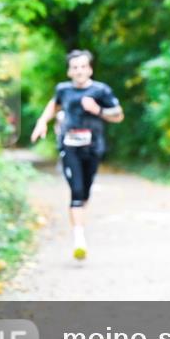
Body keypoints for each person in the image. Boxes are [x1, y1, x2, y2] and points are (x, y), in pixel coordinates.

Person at [30, 50, 124, 260]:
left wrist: (98, 110)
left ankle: (79, 220)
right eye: (75, 67)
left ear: (89, 69)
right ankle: (79, 238)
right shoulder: (63, 90)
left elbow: (118, 115)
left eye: (83, 66)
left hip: (93, 148)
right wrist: (42, 121)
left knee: (85, 192)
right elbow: (53, 105)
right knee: (77, 190)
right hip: (69, 146)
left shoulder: (101, 90)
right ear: (69, 71)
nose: (79, 71)